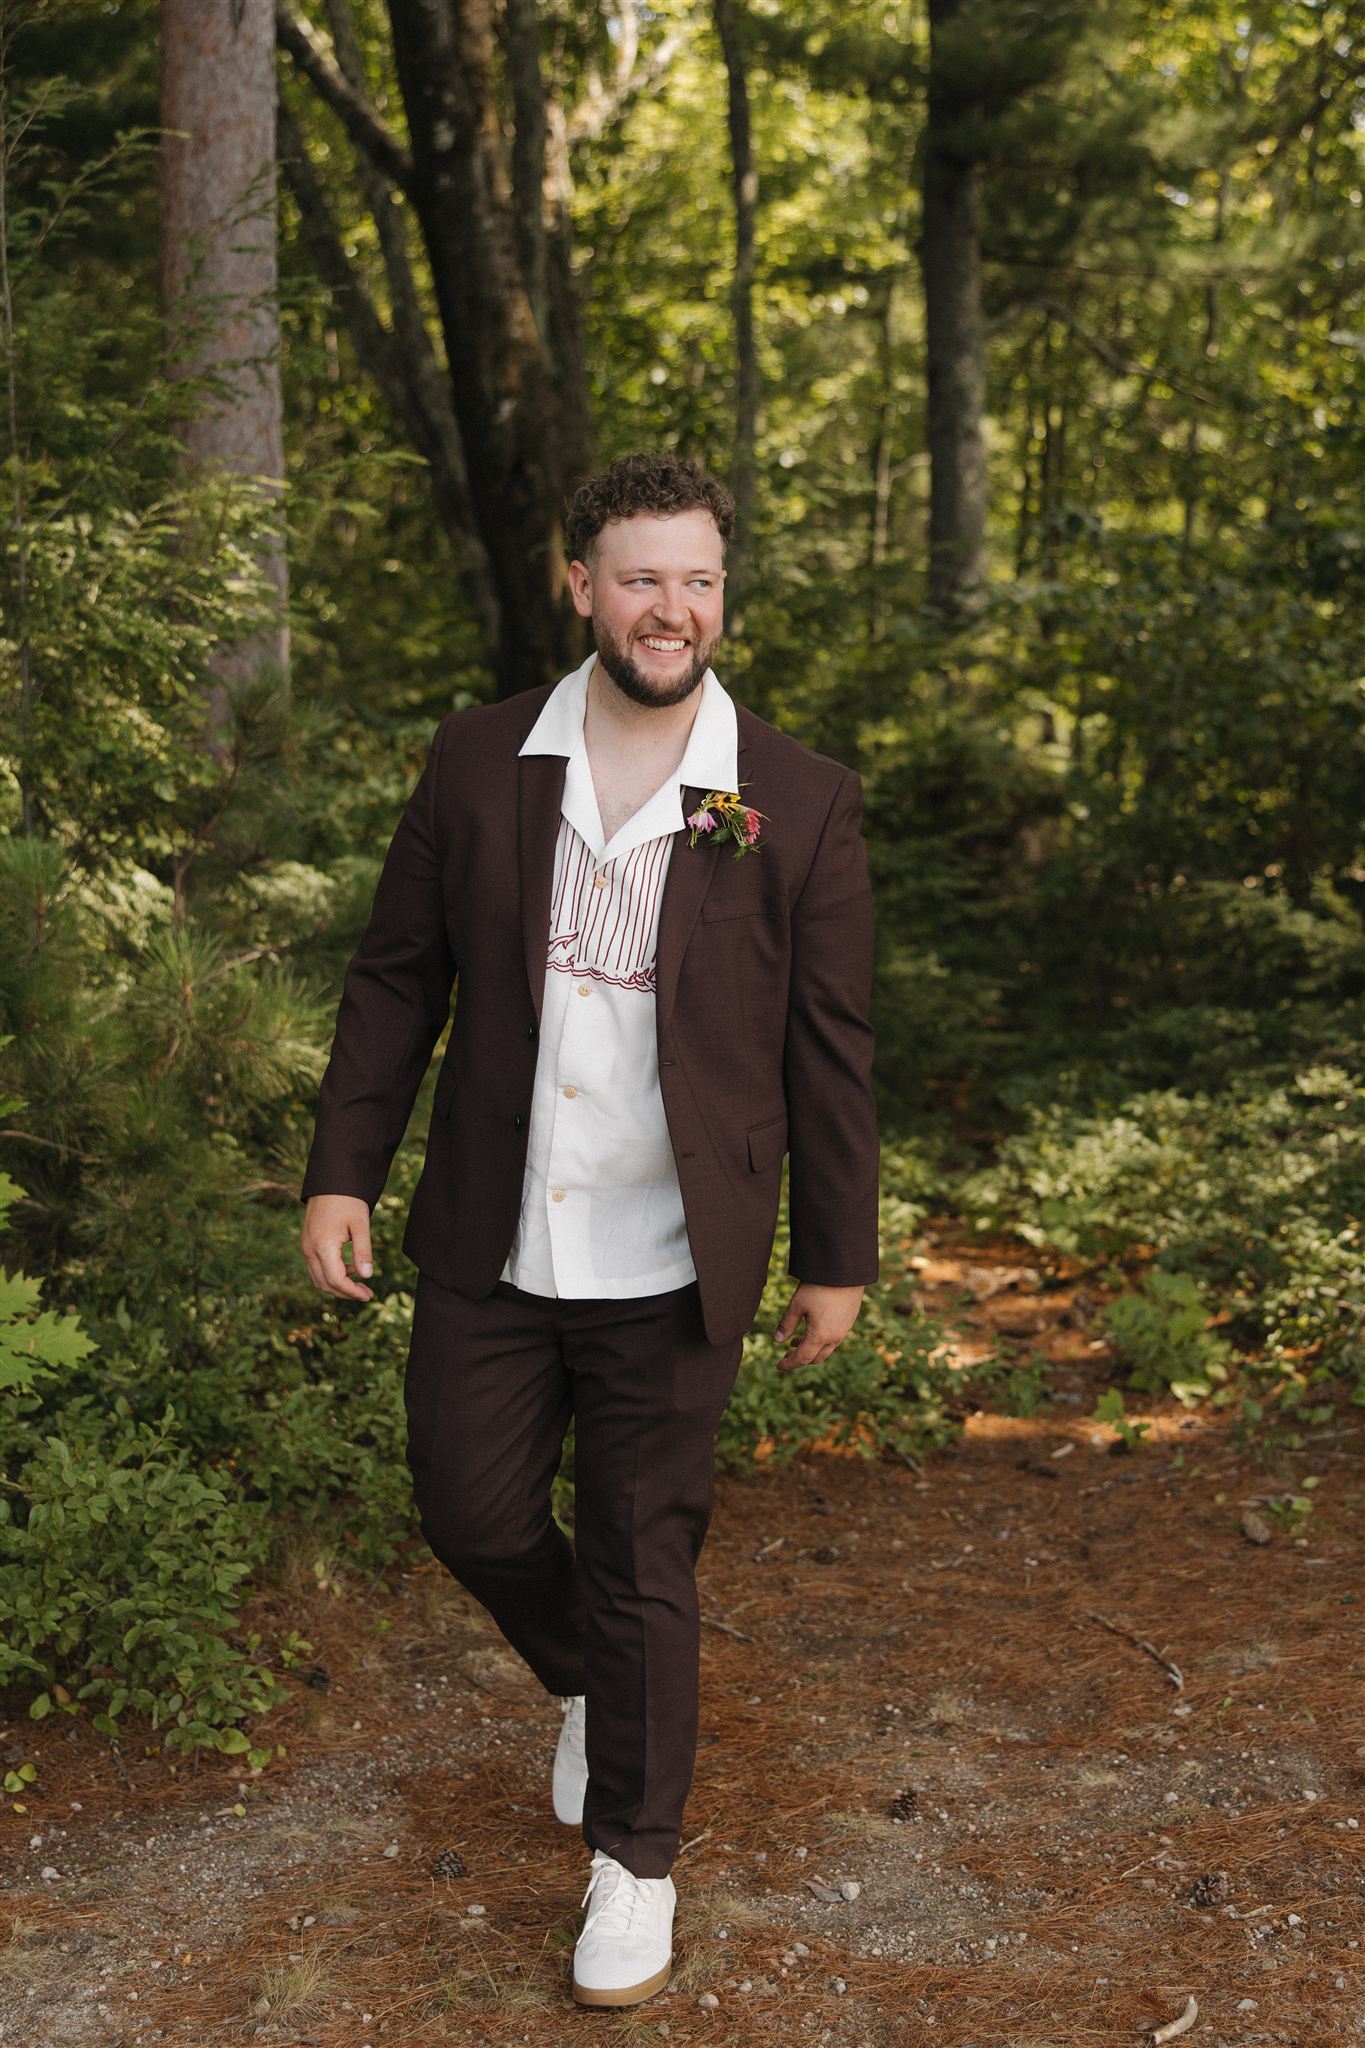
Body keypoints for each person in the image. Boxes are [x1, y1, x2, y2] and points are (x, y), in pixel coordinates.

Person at [299, 451, 879, 2009]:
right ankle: (583, 1682)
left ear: (720, 591)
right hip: (495, 1235)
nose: (669, 608)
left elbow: (830, 1044)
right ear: (579, 585)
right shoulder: (481, 760)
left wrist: (837, 1254)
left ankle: (635, 1862)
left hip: (681, 1253)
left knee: (644, 1558)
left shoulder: (794, 798)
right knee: (471, 1514)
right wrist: (340, 1169)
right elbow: (395, 977)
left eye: (695, 577)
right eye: (638, 577)